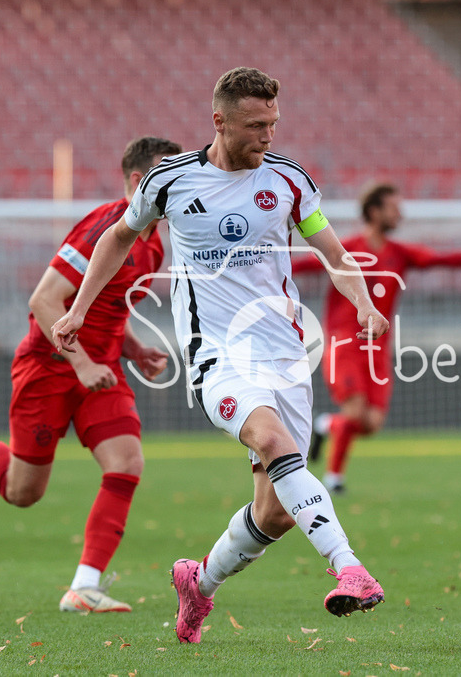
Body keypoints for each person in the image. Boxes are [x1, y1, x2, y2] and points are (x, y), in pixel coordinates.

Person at [51, 67, 389, 644]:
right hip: (219, 356)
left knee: (277, 510)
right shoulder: (171, 180)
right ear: (220, 121)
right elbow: (117, 238)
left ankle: (199, 584)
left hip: (286, 356)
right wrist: (79, 309)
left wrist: (362, 301)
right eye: (256, 125)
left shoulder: (289, 181)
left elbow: (330, 248)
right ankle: (349, 568)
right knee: (275, 443)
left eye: (274, 123)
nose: (268, 135)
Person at [0, 136, 182, 613]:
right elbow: (45, 301)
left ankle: (84, 587)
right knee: (22, 492)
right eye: (171, 175)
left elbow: (107, 306)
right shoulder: (105, 227)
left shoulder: (154, 242)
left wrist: (132, 349)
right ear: (140, 181)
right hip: (51, 366)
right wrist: (82, 362)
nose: (182, 185)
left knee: (127, 463)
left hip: (101, 371)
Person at [292, 182, 461, 494]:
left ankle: (326, 425)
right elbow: (300, 265)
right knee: (356, 412)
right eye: (394, 208)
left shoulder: (400, 254)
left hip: (378, 350)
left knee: (371, 424)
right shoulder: (346, 251)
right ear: (375, 211)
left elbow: (442, 259)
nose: (401, 214)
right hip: (344, 345)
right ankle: (333, 479)